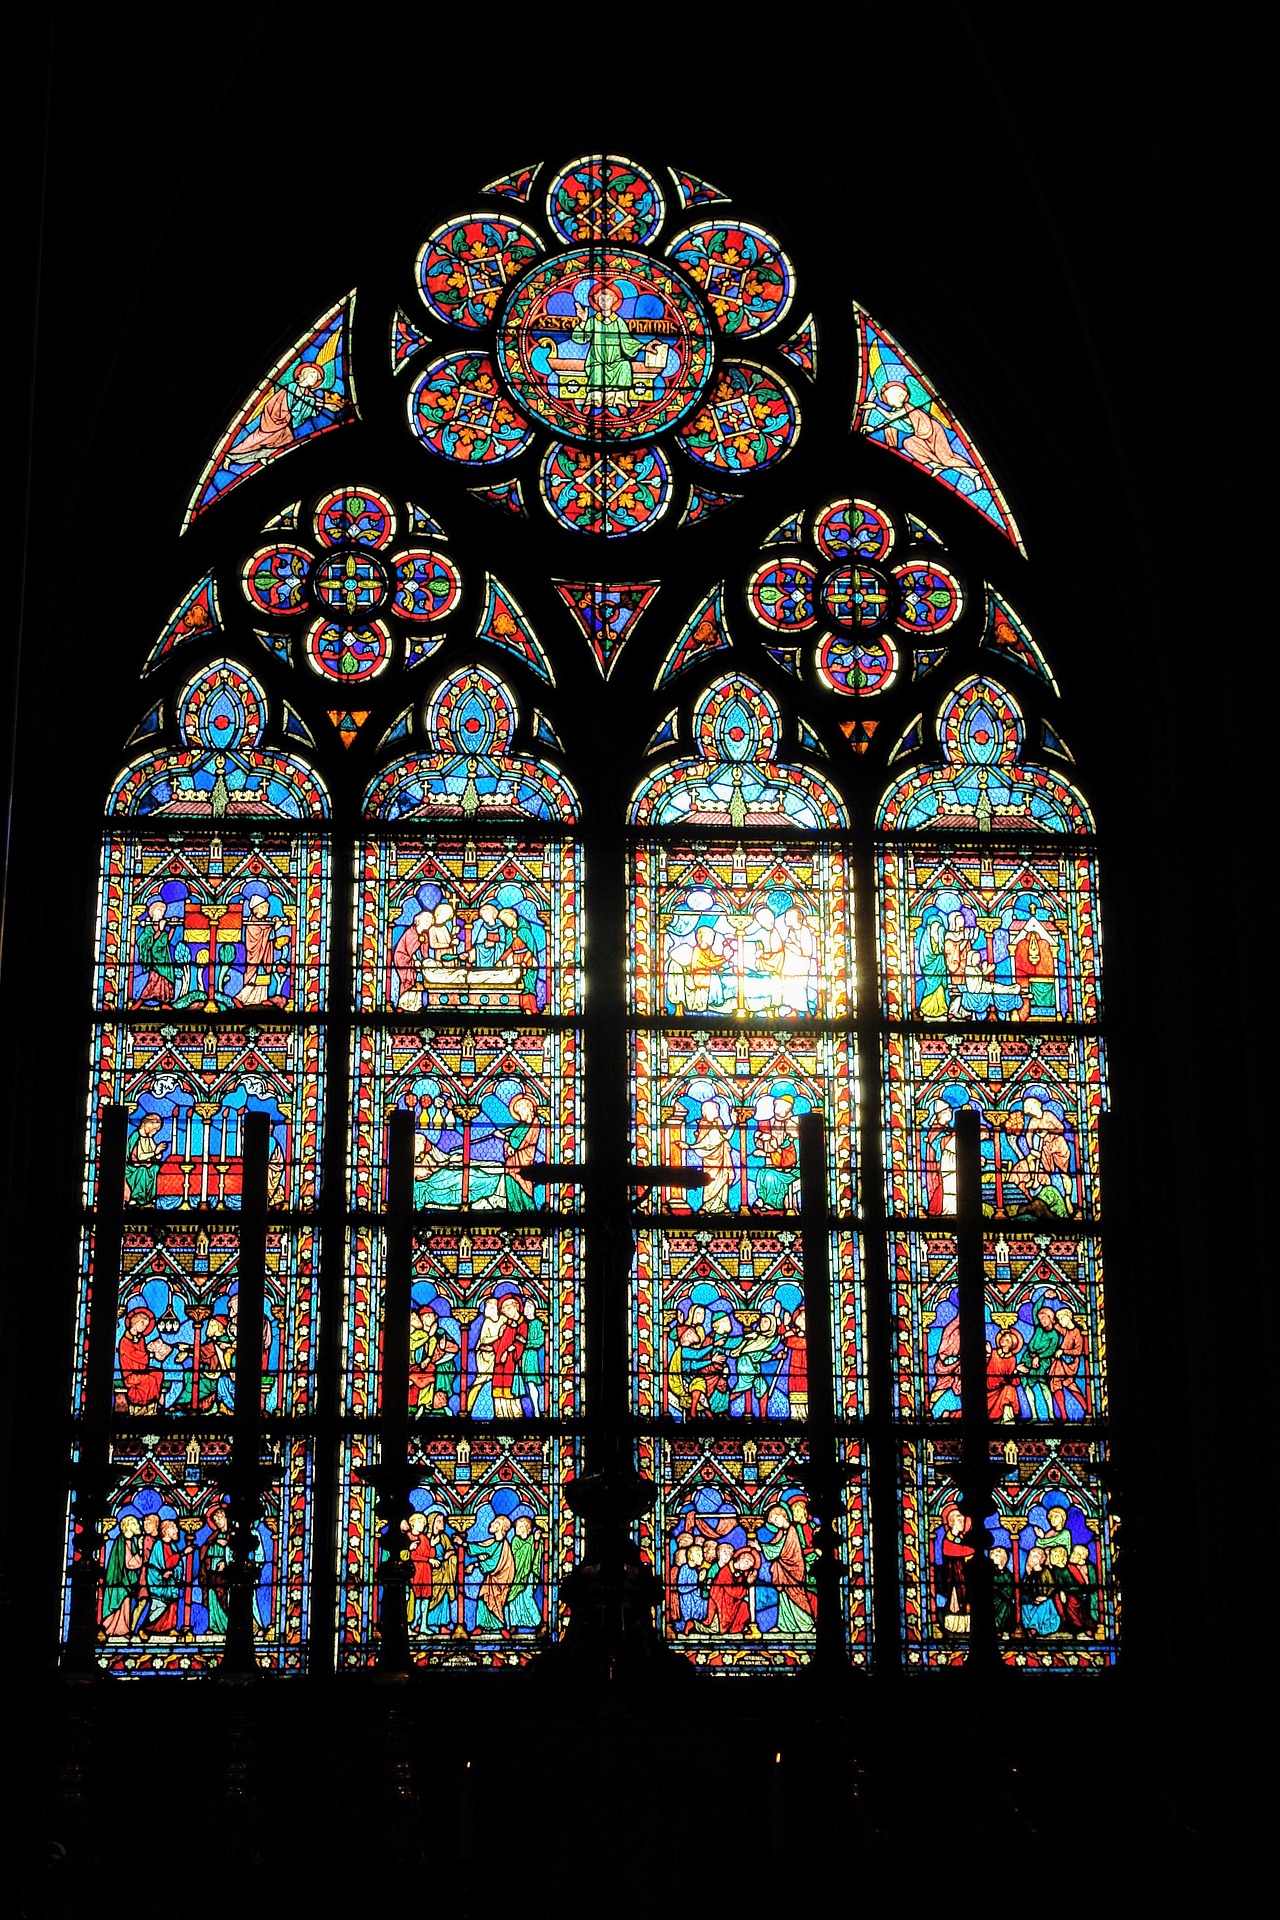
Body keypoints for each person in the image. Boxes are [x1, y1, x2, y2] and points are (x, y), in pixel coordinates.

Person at [226, 359, 342, 464]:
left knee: (286, 439)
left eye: (316, 379)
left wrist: (326, 405)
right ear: (304, 375)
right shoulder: (290, 387)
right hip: (274, 418)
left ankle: (261, 456)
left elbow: (311, 401)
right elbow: (299, 401)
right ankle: (231, 456)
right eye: (312, 376)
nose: (314, 380)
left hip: (285, 422)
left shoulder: (307, 394)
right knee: (257, 438)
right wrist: (325, 405)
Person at [571, 280, 647, 411]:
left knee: (625, 366)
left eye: (608, 299)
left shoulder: (619, 322)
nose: (604, 302)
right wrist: (583, 321)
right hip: (596, 359)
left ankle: (620, 401)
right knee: (597, 369)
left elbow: (627, 341)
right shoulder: (593, 321)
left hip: (616, 360)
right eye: (601, 300)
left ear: (614, 301)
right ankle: (592, 401)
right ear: (597, 302)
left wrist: (645, 347)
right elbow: (581, 338)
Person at [761, 1499, 817, 1635]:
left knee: (797, 1596)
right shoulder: (783, 1532)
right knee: (784, 1597)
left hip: (794, 1570)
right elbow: (775, 1545)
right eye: (773, 1522)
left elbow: (780, 1549)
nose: (775, 1523)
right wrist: (763, 1547)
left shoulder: (792, 1530)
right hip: (784, 1570)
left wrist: (761, 1547)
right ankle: (784, 1625)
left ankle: (807, 1624)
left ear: (783, 1515)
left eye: (776, 1519)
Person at [235, 894, 289, 1008]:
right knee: (254, 978)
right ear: (256, 909)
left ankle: (262, 998)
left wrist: (273, 925)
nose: (267, 909)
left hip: (264, 955)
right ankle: (240, 997)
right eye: (263, 907)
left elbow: (267, 934)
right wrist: (274, 928)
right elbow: (258, 937)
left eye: (267, 906)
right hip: (256, 956)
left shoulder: (264, 922)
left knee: (263, 977)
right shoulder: (253, 923)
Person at [117, 1307, 169, 1410]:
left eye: (146, 1325)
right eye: (142, 1323)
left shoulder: (140, 1339)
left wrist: (151, 1349)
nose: (144, 1327)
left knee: (158, 1373)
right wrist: (151, 1354)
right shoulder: (124, 1341)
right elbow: (136, 1355)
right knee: (150, 1379)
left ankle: (155, 1398)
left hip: (141, 1371)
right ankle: (143, 1401)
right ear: (134, 1322)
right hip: (130, 1376)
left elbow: (144, 1356)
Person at [101, 1516, 145, 1637]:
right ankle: (113, 1629)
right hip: (119, 1581)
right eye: (135, 1524)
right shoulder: (122, 1541)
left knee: (126, 1605)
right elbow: (130, 1563)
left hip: (126, 1582)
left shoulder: (130, 1541)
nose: (139, 1527)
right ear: (128, 1527)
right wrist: (141, 1549)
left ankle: (122, 1630)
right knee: (122, 1605)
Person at [472, 1513, 516, 1633]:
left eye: (496, 1523)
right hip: (490, 1580)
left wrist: (475, 1565)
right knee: (483, 1599)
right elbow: (480, 1548)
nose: (491, 1523)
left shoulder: (504, 1546)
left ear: (501, 1527)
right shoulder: (492, 1542)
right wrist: (463, 1543)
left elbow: (493, 1564)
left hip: (501, 1581)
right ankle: (480, 1626)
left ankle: (501, 1627)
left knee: (497, 1604)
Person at [690, 1100, 734, 1213]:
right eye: (715, 1110)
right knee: (711, 1181)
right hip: (711, 1161)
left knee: (723, 1180)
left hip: (722, 1158)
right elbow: (722, 1137)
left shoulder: (717, 1123)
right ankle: (708, 1206)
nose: (717, 1112)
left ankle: (722, 1205)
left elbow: (723, 1136)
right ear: (706, 1112)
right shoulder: (706, 1125)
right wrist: (734, 1124)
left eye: (718, 1110)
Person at [143, 1519, 184, 1634]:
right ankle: (146, 1629)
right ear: (165, 1531)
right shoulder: (158, 1545)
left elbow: (178, 1565)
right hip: (159, 1582)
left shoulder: (173, 1547)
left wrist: (174, 1572)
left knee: (172, 1606)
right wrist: (182, 1553)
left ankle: (170, 1628)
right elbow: (163, 1564)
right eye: (173, 1528)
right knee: (159, 1607)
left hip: (171, 1583)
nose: (176, 1530)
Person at [1019, 1304, 1060, 1420]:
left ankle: (1051, 1415)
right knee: (1026, 1386)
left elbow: (1051, 1350)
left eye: (1044, 1318)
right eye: (1040, 1318)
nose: (1042, 1321)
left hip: (1042, 1361)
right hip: (1028, 1358)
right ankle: (1034, 1415)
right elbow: (1035, 1309)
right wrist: (1043, 1296)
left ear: (1051, 1318)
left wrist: (1038, 1357)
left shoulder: (1054, 1335)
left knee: (1044, 1385)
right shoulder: (1038, 1328)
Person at [501, 1094, 542, 1211]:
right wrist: (508, 1146)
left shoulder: (535, 1123)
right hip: (511, 1163)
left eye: (520, 1112)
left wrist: (503, 1136)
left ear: (528, 1109)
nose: (520, 1115)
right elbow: (512, 1142)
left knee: (524, 1187)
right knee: (512, 1187)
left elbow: (521, 1142)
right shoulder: (521, 1125)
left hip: (524, 1162)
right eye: (518, 1113)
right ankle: (513, 1211)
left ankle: (529, 1212)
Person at [936, 1507, 972, 1635]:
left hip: (965, 1576)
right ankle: (953, 1626)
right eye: (959, 1520)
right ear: (951, 1522)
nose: (962, 1523)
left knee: (967, 1599)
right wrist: (973, 1550)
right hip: (953, 1576)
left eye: (963, 1520)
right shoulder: (947, 1540)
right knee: (956, 1600)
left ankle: (968, 1626)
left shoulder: (964, 1538)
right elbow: (956, 1550)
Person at [134, 898, 177, 1005]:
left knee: (165, 982)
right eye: (159, 910)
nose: (162, 913)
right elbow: (144, 942)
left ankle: (165, 1004)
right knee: (153, 981)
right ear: (152, 912)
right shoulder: (149, 928)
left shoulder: (161, 925)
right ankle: (140, 1001)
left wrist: (172, 927)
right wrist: (160, 930)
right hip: (153, 961)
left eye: (163, 911)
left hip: (163, 958)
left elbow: (166, 940)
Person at [1049, 1307, 1087, 1418]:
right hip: (1062, 1362)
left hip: (1070, 1364)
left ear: (1069, 1317)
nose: (1060, 1321)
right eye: (1059, 1319)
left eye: (1062, 1318)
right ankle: (1080, 1410)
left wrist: (1063, 1351)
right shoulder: (1066, 1331)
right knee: (1067, 1384)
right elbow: (1057, 1327)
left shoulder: (1077, 1333)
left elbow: (1078, 1351)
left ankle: (1083, 1410)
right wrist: (1050, 1319)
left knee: (1058, 1383)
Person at [506, 1515, 543, 1631]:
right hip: (515, 1575)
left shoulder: (533, 1540)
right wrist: (530, 1545)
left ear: (527, 1529)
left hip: (528, 1575)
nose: (517, 1529)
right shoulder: (515, 1541)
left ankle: (536, 1621)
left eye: (520, 1526)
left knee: (527, 1597)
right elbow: (515, 1556)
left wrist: (536, 1541)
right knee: (513, 1600)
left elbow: (537, 1553)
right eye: (516, 1527)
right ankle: (514, 1624)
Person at [392, 910, 432, 1011]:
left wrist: (426, 962)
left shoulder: (424, 935)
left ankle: (412, 1005)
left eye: (430, 921)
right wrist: (416, 961)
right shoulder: (411, 933)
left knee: (413, 980)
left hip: (412, 959)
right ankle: (402, 1003)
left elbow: (425, 953)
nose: (428, 923)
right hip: (402, 957)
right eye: (426, 920)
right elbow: (408, 950)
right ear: (419, 920)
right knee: (407, 980)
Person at [780, 907, 817, 1015]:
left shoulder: (804, 931)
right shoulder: (791, 931)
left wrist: (789, 945)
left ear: (796, 918)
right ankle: (793, 1010)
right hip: (790, 966)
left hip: (800, 966)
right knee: (789, 987)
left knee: (798, 988)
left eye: (788, 916)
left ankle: (804, 1011)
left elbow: (807, 952)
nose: (785, 919)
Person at [201, 1504, 232, 1635]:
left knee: (226, 1598)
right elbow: (205, 1552)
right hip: (212, 1573)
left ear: (226, 1518)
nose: (217, 1522)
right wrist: (209, 1562)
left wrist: (226, 1561)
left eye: (219, 1518)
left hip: (227, 1574)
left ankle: (228, 1626)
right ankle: (214, 1626)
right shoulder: (214, 1536)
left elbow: (238, 1554)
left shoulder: (232, 1535)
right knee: (212, 1598)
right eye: (215, 1520)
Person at [924, 1099, 957, 1215]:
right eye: (948, 1110)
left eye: (950, 1110)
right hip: (937, 1165)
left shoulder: (947, 1129)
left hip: (949, 1164)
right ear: (941, 1113)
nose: (951, 1112)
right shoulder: (935, 1129)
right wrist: (953, 1136)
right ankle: (938, 1209)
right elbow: (938, 1144)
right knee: (940, 1186)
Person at [125, 1113, 165, 1206]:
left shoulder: (148, 1138)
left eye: (156, 1130)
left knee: (155, 1168)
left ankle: (150, 1197)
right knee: (142, 1170)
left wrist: (156, 1150)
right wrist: (155, 1152)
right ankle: (137, 1197)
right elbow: (140, 1156)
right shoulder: (136, 1136)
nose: (154, 1131)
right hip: (132, 1168)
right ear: (145, 1124)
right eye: (153, 1128)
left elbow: (157, 1156)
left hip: (145, 1166)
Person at [986, 1326, 1024, 1423]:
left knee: (1009, 1389)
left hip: (1001, 1389)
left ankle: (1008, 1419)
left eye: (1007, 1340)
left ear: (1011, 1345)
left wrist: (1016, 1371)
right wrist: (988, 1355)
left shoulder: (1012, 1359)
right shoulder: (993, 1353)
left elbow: (1013, 1381)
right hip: (988, 1388)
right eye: (1003, 1337)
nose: (1003, 1339)